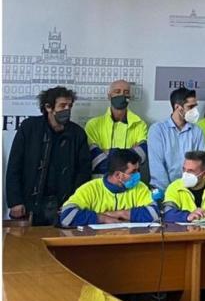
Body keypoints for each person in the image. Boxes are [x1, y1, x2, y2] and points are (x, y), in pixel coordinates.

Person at [6, 86, 91, 226]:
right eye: (62, 105)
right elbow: (15, 165)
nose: (67, 109)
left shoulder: (77, 133)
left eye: (70, 106)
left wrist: (74, 202)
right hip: (30, 204)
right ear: (48, 107)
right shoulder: (29, 127)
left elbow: (84, 171)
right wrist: (15, 201)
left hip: (62, 205)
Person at [58, 148, 158, 227]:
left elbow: (155, 213)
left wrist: (120, 213)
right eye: (133, 171)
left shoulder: (140, 187)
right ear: (118, 175)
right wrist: (103, 218)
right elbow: (67, 216)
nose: (138, 175)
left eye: (138, 170)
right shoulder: (90, 188)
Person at [147, 86, 205, 192]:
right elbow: (157, 167)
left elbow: (202, 163)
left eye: (195, 106)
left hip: (191, 190)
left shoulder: (197, 131)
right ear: (178, 107)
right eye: (190, 107)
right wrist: (170, 193)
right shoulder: (157, 130)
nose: (195, 111)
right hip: (163, 190)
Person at [84, 79, 148, 177]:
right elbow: (97, 161)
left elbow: (141, 157)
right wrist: (129, 153)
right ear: (109, 96)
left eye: (126, 92)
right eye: (117, 92)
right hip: (100, 183)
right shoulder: (93, 125)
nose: (122, 95)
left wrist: (107, 152)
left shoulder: (139, 124)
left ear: (130, 97)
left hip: (130, 183)